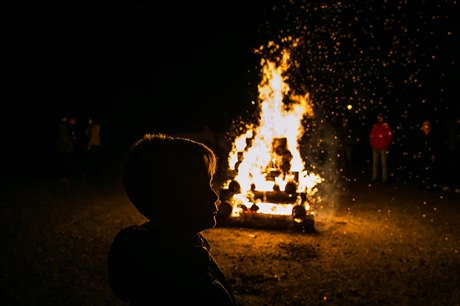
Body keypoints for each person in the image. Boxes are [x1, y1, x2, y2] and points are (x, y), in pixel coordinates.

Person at [107, 133, 238, 305]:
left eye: (210, 184)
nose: (214, 196)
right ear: (169, 197)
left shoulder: (182, 251)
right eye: (201, 187)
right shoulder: (186, 281)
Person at [412, 120, 439, 190]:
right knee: (421, 170)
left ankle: (429, 185)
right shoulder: (420, 134)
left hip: (429, 154)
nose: (426, 126)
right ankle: (422, 184)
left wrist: (433, 154)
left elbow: (434, 145)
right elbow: (416, 144)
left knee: (429, 170)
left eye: (427, 124)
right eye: (425, 124)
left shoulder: (432, 134)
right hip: (421, 154)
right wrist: (415, 153)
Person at [369, 113, 392, 183]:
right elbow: (371, 135)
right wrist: (372, 143)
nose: (380, 119)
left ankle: (384, 177)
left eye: (381, 118)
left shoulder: (386, 126)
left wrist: (386, 143)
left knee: (383, 163)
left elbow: (389, 136)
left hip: (383, 147)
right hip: (375, 147)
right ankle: (374, 177)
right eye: (379, 118)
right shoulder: (375, 126)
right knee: (375, 163)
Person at [55, 113, 78, 182]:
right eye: (66, 117)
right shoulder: (62, 125)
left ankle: (66, 175)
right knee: (64, 162)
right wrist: (70, 144)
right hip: (64, 148)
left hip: (66, 147)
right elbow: (64, 137)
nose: (67, 118)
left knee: (67, 162)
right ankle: (63, 177)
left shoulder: (65, 125)